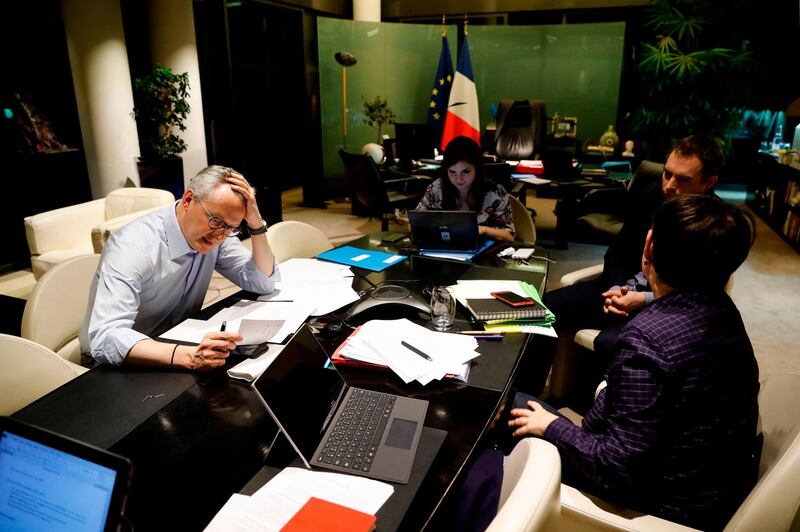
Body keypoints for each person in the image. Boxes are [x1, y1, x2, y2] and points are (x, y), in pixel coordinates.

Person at [508, 194, 759, 530]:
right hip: (710, 489)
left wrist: (554, 428)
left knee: (507, 408)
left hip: (658, 504)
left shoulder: (647, 338)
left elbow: (616, 469)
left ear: (650, 246)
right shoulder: (725, 311)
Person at [80, 165, 280, 371]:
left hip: (176, 341)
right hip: (113, 361)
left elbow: (263, 282)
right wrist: (188, 356)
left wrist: (256, 224)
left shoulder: (218, 236)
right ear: (187, 200)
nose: (220, 234)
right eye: (216, 221)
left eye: (231, 227)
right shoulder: (132, 247)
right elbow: (107, 336)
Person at [543, 134, 723, 361]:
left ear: (709, 182)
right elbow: (617, 251)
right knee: (543, 310)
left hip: (666, 308)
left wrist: (643, 299)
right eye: (667, 174)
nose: (669, 186)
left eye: (683, 179)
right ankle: (524, 392)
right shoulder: (650, 196)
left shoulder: (717, 225)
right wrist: (616, 288)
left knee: (614, 344)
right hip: (618, 291)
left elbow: (701, 292)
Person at [415, 135, 515, 242]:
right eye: (452, 172)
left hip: (484, 252)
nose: (458, 179)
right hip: (444, 250)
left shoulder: (496, 193)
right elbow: (414, 224)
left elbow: (509, 236)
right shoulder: (437, 188)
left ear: (477, 169)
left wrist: (484, 230)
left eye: (465, 172)